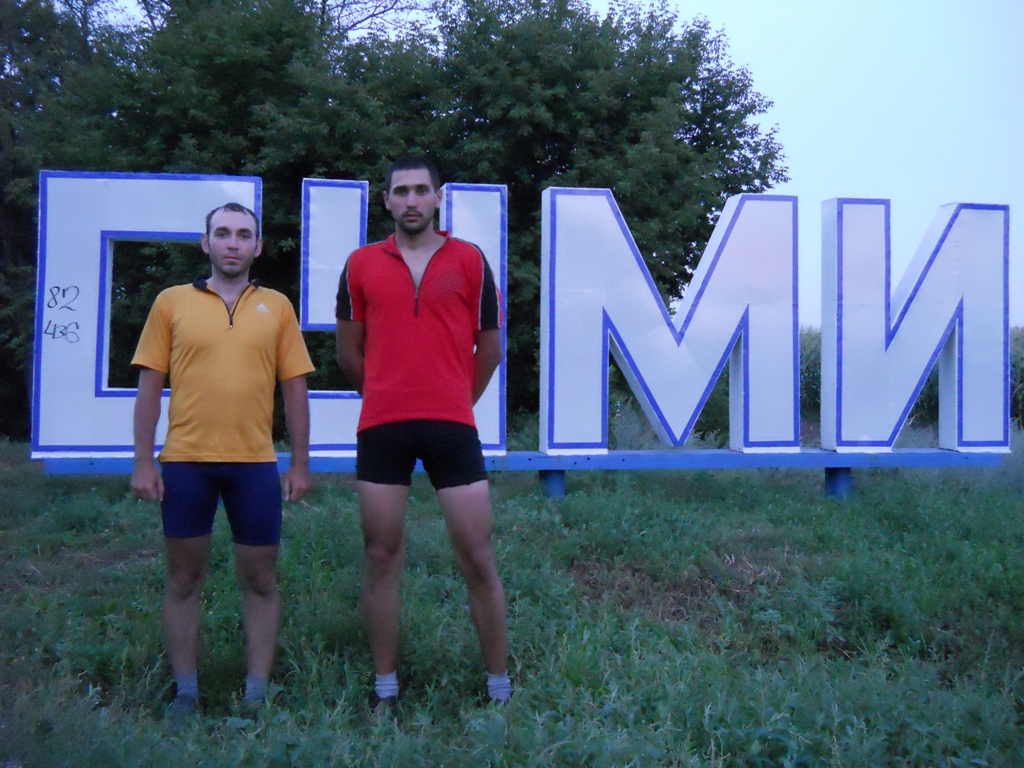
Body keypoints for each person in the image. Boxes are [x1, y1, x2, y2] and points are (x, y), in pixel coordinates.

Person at [335, 156, 511, 709]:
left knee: (477, 555)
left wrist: (454, 400)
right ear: (386, 200)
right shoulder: (360, 263)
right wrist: (386, 395)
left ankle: (499, 686)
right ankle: (385, 687)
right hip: (382, 427)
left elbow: (491, 349)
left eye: (420, 190)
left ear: (438, 198)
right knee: (380, 555)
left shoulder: (470, 260)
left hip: (452, 427)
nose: (410, 200)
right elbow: (347, 353)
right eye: (400, 191)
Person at [131, 202, 315, 720]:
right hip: (185, 463)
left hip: (254, 466)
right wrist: (143, 461)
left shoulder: (277, 306)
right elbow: (149, 386)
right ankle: (186, 693)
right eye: (223, 233)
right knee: (183, 580)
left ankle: (256, 694)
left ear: (258, 246)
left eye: (244, 235)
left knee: (260, 581)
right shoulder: (171, 303)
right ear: (205, 242)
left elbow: (295, 390)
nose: (233, 243)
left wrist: (300, 464)